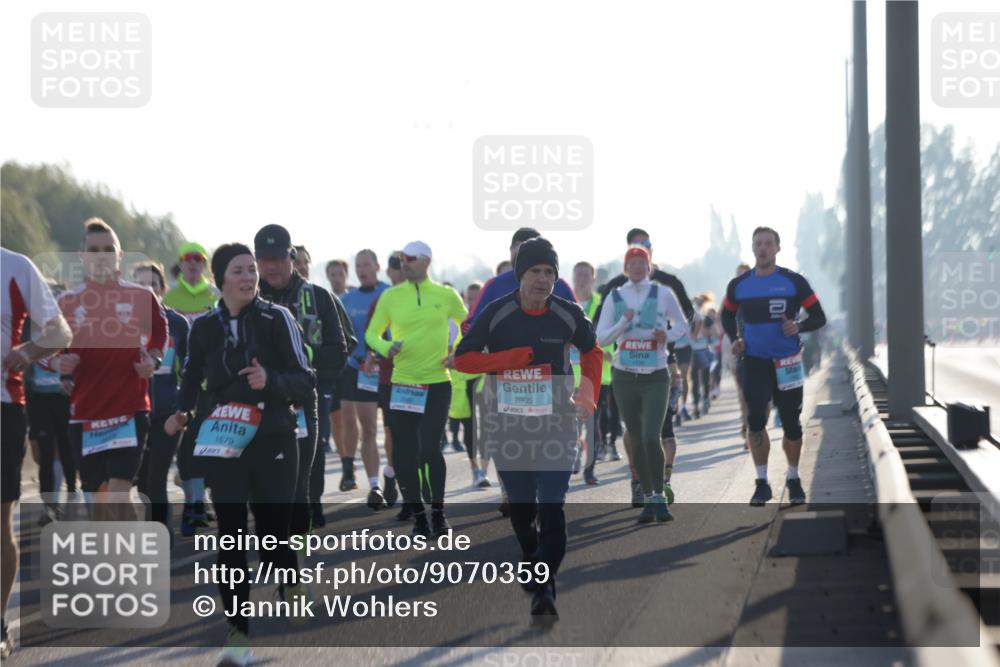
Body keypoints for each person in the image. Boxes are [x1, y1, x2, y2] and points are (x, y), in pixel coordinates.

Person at [165, 243, 314, 666]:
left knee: (272, 535)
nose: (249, 277)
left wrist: (270, 380)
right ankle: (237, 634)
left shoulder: (277, 318)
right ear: (219, 278)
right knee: (230, 536)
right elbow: (192, 375)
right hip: (224, 438)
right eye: (239, 271)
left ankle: (289, 577)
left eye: (252, 270)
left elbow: (305, 379)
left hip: (274, 438)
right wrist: (181, 410)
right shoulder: (206, 327)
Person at [455, 237, 602, 618]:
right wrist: (512, 358)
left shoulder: (567, 313)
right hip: (509, 427)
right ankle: (531, 554)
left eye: (549, 272)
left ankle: (545, 585)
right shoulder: (497, 312)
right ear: (521, 275)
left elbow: (593, 352)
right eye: (535, 271)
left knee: (552, 506)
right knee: (522, 509)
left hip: (557, 425)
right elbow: (464, 359)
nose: (542, 279)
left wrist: (587, 396)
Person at [55, 219, 167, 519]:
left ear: (119, 255)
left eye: (108, 249)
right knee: (100, 507)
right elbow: (50, 352)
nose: (101, 255)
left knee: (119, 495)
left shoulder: (142, 297)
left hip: (129, 411)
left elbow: (160, 335)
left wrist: (152, 361)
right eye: (94, 250)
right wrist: (60, 365)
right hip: (85, 416)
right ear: (82, 255)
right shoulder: (67, 302)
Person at [364, 241, 468, 537]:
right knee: (405, 454)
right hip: (404, 384)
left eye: (409, 259)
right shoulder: (391, 296)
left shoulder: (445, 295)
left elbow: (468, 324)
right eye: (401, 259)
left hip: (437, 381)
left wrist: (457, 352)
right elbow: (371, 334)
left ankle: (439, 512)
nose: (404, 263)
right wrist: (386, 347)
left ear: (426, 261)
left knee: (429, 448)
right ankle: (419, 515)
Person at [721, 227, 827, 506]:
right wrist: (736, 339)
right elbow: (726, 314)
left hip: (788, 362)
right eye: (759, 244)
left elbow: (819, 316)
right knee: (756, 418)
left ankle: (793, 478)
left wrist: (799, 326)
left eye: (769, 243)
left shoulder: (794, 282)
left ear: (778, 248)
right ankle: (761, 482)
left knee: (792, 423)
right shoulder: (740, 285)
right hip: (754, 361)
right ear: (753, 248)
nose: (763, 248)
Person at [255, 225, 352, 530]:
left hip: (307, 394)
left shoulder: (319, 296)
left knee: (307, 459)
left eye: (278, 258)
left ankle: (307, 513)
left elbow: (340, 349)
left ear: (292, 257)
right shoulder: (248, 297)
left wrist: (303, 365)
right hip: (262, 395)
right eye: (264, 259)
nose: (271, 266)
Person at [1, 248, 72, 660]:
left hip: (3, 407)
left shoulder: (14, 267)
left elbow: (60, 332)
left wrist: (26, 351)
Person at [595, 229, 694, 506]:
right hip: (625, 373)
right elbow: (600, 338)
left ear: (649, 264)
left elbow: (685, 322)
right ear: (625, 266)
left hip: (659, 371)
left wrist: (669, 336)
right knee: (635, 434)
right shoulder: (614, 292)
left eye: (642, 261)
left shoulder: (665, 290)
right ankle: (641, 485)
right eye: (632, 261)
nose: (637, 267)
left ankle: (660, 488)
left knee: (655, 434)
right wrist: (622, 324)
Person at [163, 241, 219, 534]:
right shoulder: (169, 296)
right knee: (185, 451)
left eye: (199, 259)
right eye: (188, 258)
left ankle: (201, 501)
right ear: (181, 263)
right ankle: (194, 505)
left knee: (209, 447)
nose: (194, 263)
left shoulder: (216, 295)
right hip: (180, 384)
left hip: (212, 385)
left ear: (205, 265)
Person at [132, 262, 189, 539]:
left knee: (157, 475)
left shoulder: (178, 324)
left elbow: (190, 367)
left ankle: (158, 533)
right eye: (141, 284)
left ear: (163, 289)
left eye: (153, 284)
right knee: (142, 479)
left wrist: (186, 408)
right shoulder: (121, 324)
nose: (147, 290)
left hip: (167, 410)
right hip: (134, 411)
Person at [339, 249, 391, 509]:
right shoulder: (348, 299)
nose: (361, 270)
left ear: (377, 266)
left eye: (366, 264)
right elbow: (343, 337)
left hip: (391, 370)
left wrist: (380, 354)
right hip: (360, 370)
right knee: (367, 428)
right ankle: (374, 485)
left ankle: (391, 475)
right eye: (357, 265)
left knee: (392, 430)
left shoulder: (390, 294)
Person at [464, 228, 576, 332]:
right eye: (519, 248)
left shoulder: (561, 286)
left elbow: (581, 329)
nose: (542, 279)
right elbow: (470, 327)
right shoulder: (494, 285)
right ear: (511, 250)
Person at [720, 263, 752, 447]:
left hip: (760, 348)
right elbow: (722, 316)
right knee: (742, 389)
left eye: (745, 274)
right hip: (737, 346)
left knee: (763, 398)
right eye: (739, 274)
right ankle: (746, 424)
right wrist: (731, 336)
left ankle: (754, 425)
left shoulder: (760, 293)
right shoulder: (732, 294)